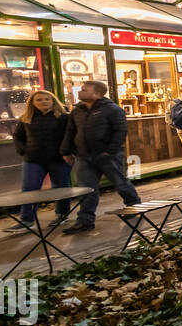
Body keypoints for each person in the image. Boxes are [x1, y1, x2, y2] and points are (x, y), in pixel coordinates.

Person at [59, 80, 140, 234]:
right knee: (86, 189)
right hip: (84, 156)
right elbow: (70, 132)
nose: (79, 92)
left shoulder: (112, 109)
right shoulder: (78, 111)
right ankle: (85, 220)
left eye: (84, 90)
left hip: (108, 155)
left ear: (96, 93)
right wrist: (66, 151)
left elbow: (120, 131)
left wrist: (110, 150)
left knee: (120, 183)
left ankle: (134, 206)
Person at [9, 90, 71, 232]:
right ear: (32, 103)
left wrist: (67, 152)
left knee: (61, 188)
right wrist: (23, 150)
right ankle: (27, 220)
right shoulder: (26, 118)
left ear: (53, 101)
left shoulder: (63, 117)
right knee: (29, 189)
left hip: (58, 159)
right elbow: (17, 136)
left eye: (47, 99)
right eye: (39, 100)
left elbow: (70, 136)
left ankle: (62, 215)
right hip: (33, 159)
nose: (44, 102)